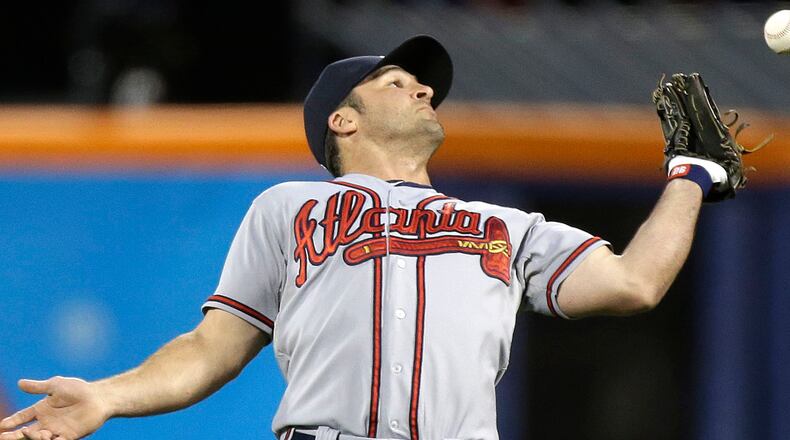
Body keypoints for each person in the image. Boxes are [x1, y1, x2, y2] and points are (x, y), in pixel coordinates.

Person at [0, 35, 715, 440]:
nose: (424, 91)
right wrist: (108, 396)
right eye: (399, 81)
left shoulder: (505, 226)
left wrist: (691, 175)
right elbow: (210, 349)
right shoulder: (290, 208)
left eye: (424, 87)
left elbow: (633, 282)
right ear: (341, 120)